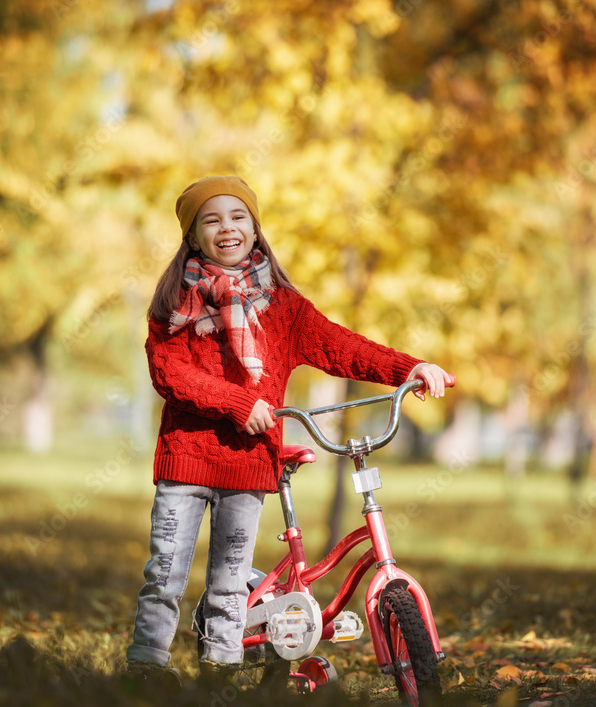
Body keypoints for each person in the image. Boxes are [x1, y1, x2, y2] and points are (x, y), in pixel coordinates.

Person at [125, 175, 452, 685]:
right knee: (164, 574)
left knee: (230, 583)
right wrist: (238, 402)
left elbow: (342, 346)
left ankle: (221, 673)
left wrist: (409, 368)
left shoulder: (284, 309)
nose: (227, 228)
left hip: (250, 464)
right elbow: (170, 374)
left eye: (238, 217)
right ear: (192, 237)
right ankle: (145, 669)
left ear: (255, 230)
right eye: (211, 220)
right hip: (187, 462)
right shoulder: (174, 305)